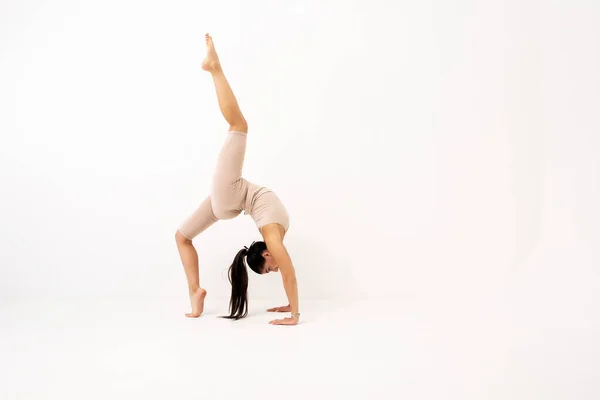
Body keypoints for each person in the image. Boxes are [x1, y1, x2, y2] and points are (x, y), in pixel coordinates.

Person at [174, 34, 299, 326]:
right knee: (182, 237)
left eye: (269, 269)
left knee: (239, 125)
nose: (276, 269)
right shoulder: (274, 236)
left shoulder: (273, 235)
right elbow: (291, 273)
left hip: (231, 197)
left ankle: (215, 68)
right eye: (271, 270)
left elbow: (289, 273)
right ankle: (195, 292)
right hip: (231, 199)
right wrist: (293, 311)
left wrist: (293, 311)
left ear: (266, 253)